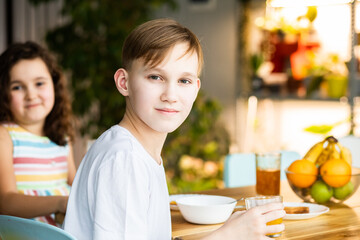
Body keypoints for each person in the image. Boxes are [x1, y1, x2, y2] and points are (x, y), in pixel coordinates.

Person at [63, 18, 285, 239]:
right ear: (124, 82)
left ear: (196, 89)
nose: (170, 96)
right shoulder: (124, 160)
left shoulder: (137, 151)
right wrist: (228, 235)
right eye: (155, 77)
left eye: (184, 81)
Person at [0, 41, 76, 226]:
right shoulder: (5, 136)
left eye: (39, 83)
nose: (31, 95)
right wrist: (59, 202)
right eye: (17, 87)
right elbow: (5, 202)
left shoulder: (62, 137)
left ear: (54, 86)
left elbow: (77, 187)